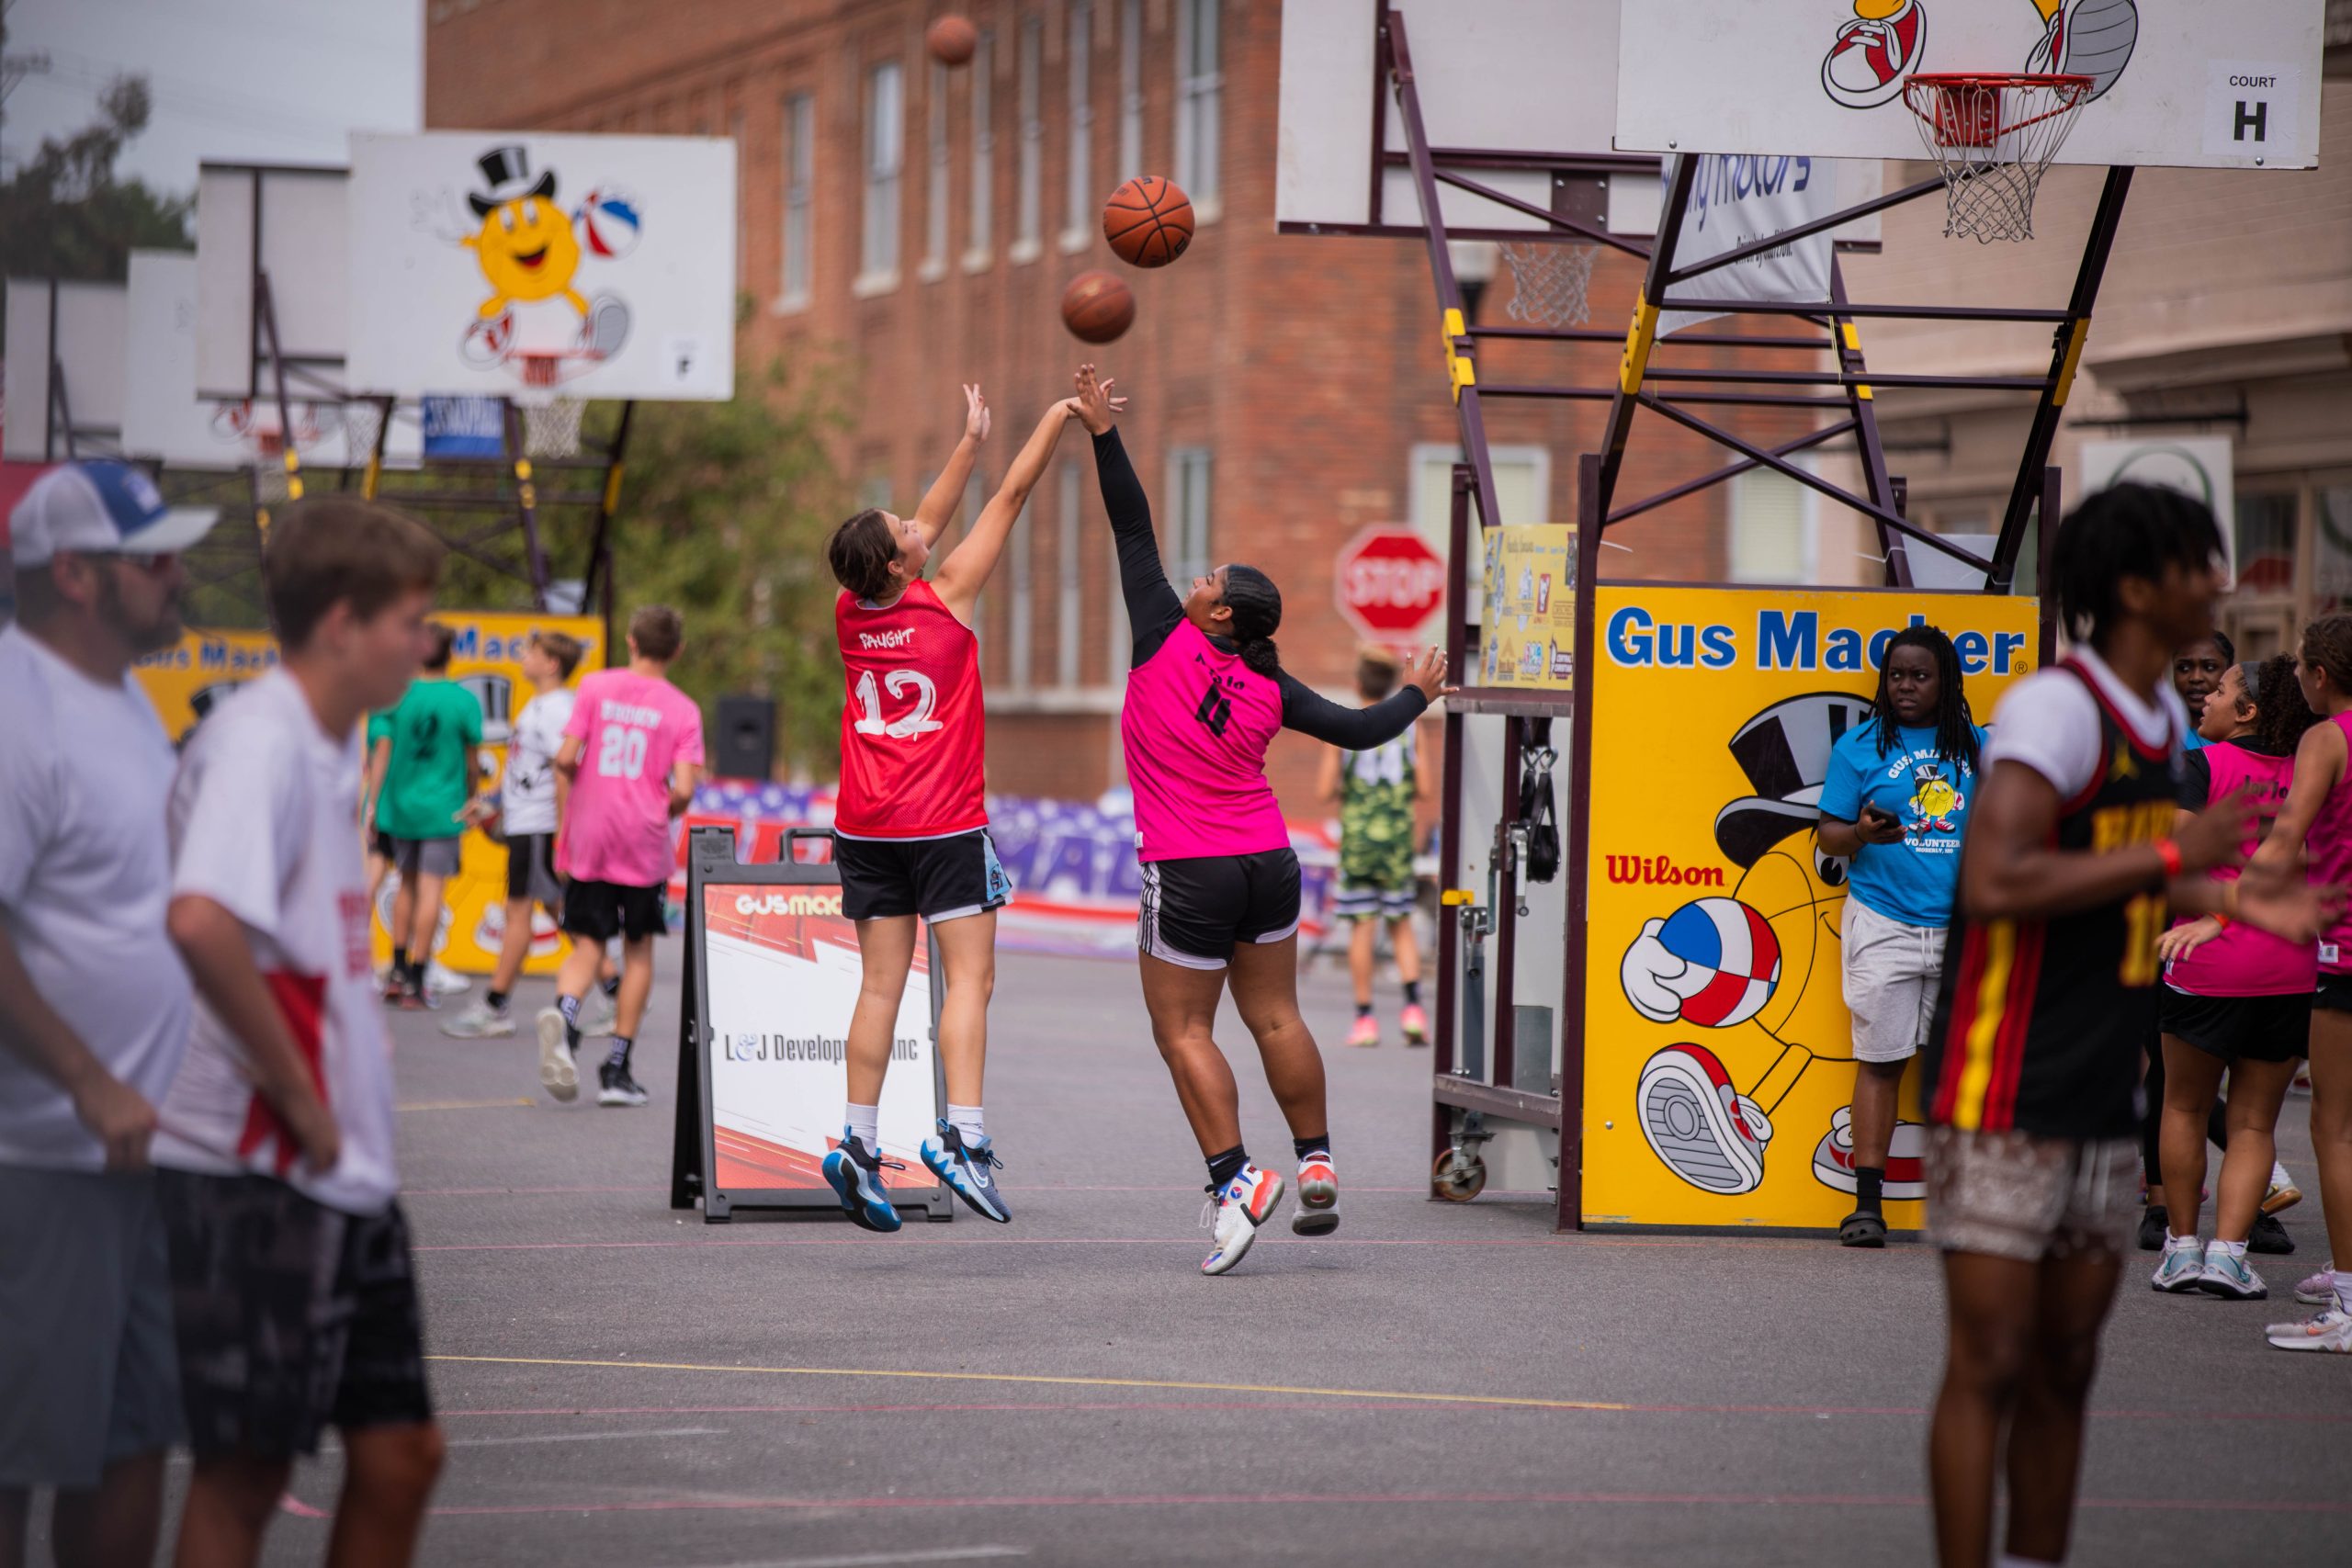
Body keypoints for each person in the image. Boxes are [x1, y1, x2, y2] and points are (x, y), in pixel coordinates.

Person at [1916, 483, 2334, 1567]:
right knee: (1989, 1362)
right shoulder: (2057, 710)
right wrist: (2174, 858)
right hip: (2002, 1084)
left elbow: (2141, 871)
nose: (2221, 581)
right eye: (2200, 562)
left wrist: (2244, 905)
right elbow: (1995, 876)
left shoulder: (2156, 722)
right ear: (2140, 586)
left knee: (2065, 1366)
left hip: (2104, 1088)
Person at [1072, 364, 1452, 1275]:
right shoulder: (1269, 684)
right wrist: (1417, 694)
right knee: (1276, 1016)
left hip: (1187, 868)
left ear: (1221, 612)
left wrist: (1102, 432)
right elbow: (1361, 730)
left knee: (1182, 1032)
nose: (1193, 577)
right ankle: (1317, 1161)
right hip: (1268, 864)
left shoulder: (1161, 633)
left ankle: (1237, 1178)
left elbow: (1131, 525)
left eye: (1208, 578)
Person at [154, 496, 447, 1568]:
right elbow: (200, 918)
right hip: (262, 1171)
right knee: (245, 1471)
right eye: (409, 620)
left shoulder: (329, 744)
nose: (424, 642)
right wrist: (300, 1099)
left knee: (402, 1454)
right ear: (340, 624)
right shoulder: (261, 743)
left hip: (339, 1172)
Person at [0, 463, 215, 1568]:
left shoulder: (122, 697)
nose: (179, 576)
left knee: (132, 1444)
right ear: (76, 575)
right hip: (42, 1162)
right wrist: (88, 1080)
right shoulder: (17, 710)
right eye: (154, 557)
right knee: (17, 1456)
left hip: (143, 1157)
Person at [820, 383, 1072, 1230]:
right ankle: (962, 1136)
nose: (917, 523)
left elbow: (930, 519)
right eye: (905, 529)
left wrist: (968, 440)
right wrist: (1056, 417)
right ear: (903, 564)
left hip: (865, 823)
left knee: (880, 986)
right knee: (970, 979)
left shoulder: (852, 607)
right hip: (943, 821)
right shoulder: (950, 592)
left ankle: (857, 1144)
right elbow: (1014, 495)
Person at [2145, 653, 2319, 1301]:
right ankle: (2229, 1256)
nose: (2206, 698)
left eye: (2219, 690)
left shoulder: (2203, 766)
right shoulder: (2313, 771)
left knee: (2183, 1106)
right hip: (2290, 966)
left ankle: (2182, 1249)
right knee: (2252, 1124)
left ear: (2247, 710)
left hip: (2208, 959)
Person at [1815, 624, 1985, 1248]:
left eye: (1920, 675)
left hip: (1962, 928)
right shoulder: (1858, 746)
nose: (1905, 686)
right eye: (1895, 675)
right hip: (1882, 922)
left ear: (1946, 682)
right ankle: (1867, 1207)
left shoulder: (1979, 746)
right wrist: (1861, 833)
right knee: (1881, 1062)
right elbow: (1828, 834)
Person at [536, 604, 704, 1108]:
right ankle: (617, 1068)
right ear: (677, 651)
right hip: (642, 840)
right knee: (638, 950)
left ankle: (566, 1017)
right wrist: (660, 806)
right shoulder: (683, 709)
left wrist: (583, 792)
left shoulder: (594, 687)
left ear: (631, 641)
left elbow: (566, 757)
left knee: (588, 943)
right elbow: (684, 788)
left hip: (592, 832)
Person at [2249, 612, 2352, 1353]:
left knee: (2334, 1127)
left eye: (2299, 669)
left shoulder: (2327, 737)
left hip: (2345, 953)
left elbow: (2285, 836)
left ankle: (2348, 1301)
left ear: (2320, 674)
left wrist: (2221, 908)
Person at [441, 630, 616, 1040]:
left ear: (551, 664)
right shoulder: (540, 706)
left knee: (518, 912)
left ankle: (495, 1005)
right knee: (557, 909)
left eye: (532, 652)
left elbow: (566, 771)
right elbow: (527, 771)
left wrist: (563, 833)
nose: (523, 656)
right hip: (528, 824)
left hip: (539, 827)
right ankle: (618, 992)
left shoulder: (557, 710)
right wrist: (492, 804)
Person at [1317, 646, 1435, 1049]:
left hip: (1359, 844)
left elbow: (1323, 790)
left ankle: (1365, 1018)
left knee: (1362, 926)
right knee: (1401, 923)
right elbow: (1425, 788)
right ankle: (1413, 1009)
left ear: (1357, 684)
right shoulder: (1410, 729)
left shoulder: (1343, 727)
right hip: (1397, 842)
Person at [372, 623, 483, 1008]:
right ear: (450, 654)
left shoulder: (397, 695)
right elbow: (473, 762)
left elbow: (382, 751)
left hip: (402, 806)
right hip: (443, 808)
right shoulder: (463, 700)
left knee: (405, 884)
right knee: (431, 890)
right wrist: (473, 797)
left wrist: (374, 803)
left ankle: (397, 969)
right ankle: (418, 978)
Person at [2172, 629, 2233, 752]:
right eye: (2184, 668)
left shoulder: (2248, 740)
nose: (2196, 678)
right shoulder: (2159, 739)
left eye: (2209, 667)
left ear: (2230, 671)